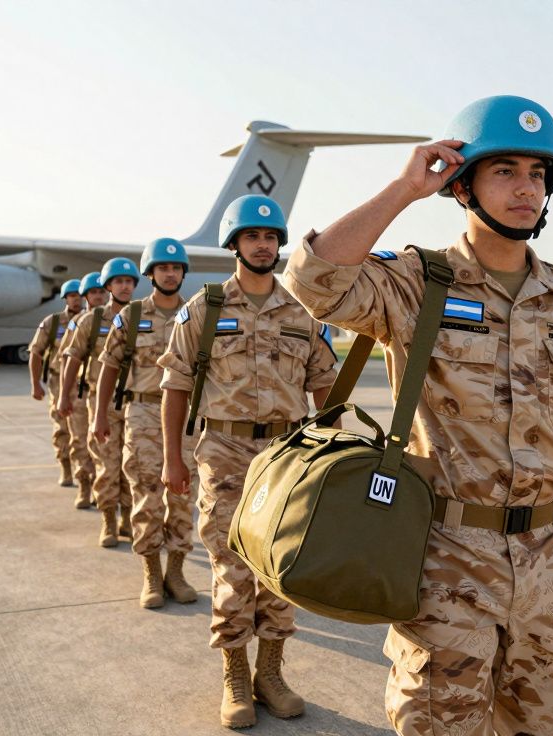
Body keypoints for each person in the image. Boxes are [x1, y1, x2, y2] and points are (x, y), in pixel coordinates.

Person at [283, 95, 553, 736]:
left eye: (538, 174)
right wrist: (404, 188)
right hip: (447, 556)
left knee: (540, 721)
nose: (525, 188)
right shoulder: (417, 282)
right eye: (504, 170)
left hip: (552, 559)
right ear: (462, 184)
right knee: (439, 723)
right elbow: (314, 280)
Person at [158, 195, 338, 728]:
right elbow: (175, 385)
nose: (263, 245)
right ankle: (235, 675)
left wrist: (333, 454)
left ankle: (272, 673)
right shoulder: (206, 309)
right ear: (233, 243)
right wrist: (173, 459)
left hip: (287, 455)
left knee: (284, 567)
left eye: (271, 238)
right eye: (252, 237)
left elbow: (325, 384)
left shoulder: (302, 313)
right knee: (232, 566)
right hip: (225, 454)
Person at [93, 239, 198, 609]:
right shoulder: (132, 316)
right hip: (144, 413)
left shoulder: (198, 315)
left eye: (176, 268)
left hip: (188, 418)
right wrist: (100, 415)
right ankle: (151, 572)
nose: (170, 274)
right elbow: (108, 367)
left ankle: (177, 571)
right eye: (162, 268)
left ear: (183, 272)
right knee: (146, 494)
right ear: (150, 273)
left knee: (183, 497)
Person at [59, 258, 137, 545]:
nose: (125, 286)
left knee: (134, 465)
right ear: (107, 286)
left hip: (136, 403)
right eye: (119, 281)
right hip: (100, 402)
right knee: (107, 463)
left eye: (129, 282)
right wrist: (65, 396)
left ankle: (127, 518)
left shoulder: (143, 316)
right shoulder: (91, 321)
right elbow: (72, 358)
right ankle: (108, 520)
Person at [27, 278, 83, 489]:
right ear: (66, 298)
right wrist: (35, 384)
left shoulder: (93, 320)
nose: (77, 300)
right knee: (62, 428)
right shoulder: (52, 323)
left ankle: (87, 475)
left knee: (85, 431)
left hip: (85, 383)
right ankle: (66, 469)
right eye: (72, 296)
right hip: (58, 381)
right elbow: (35, 352)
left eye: (79, 295)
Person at [55, 271, 104, 509]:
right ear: (86, 296)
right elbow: (66, 358)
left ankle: (101, 488)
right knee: (80, 441)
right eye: (93, 292)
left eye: (101, 291)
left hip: (106, 395)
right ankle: (84, 485)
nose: (98, 296)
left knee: (105, 446)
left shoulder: (118, 319)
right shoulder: (78, 323)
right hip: (82, 393)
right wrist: (65, 393)